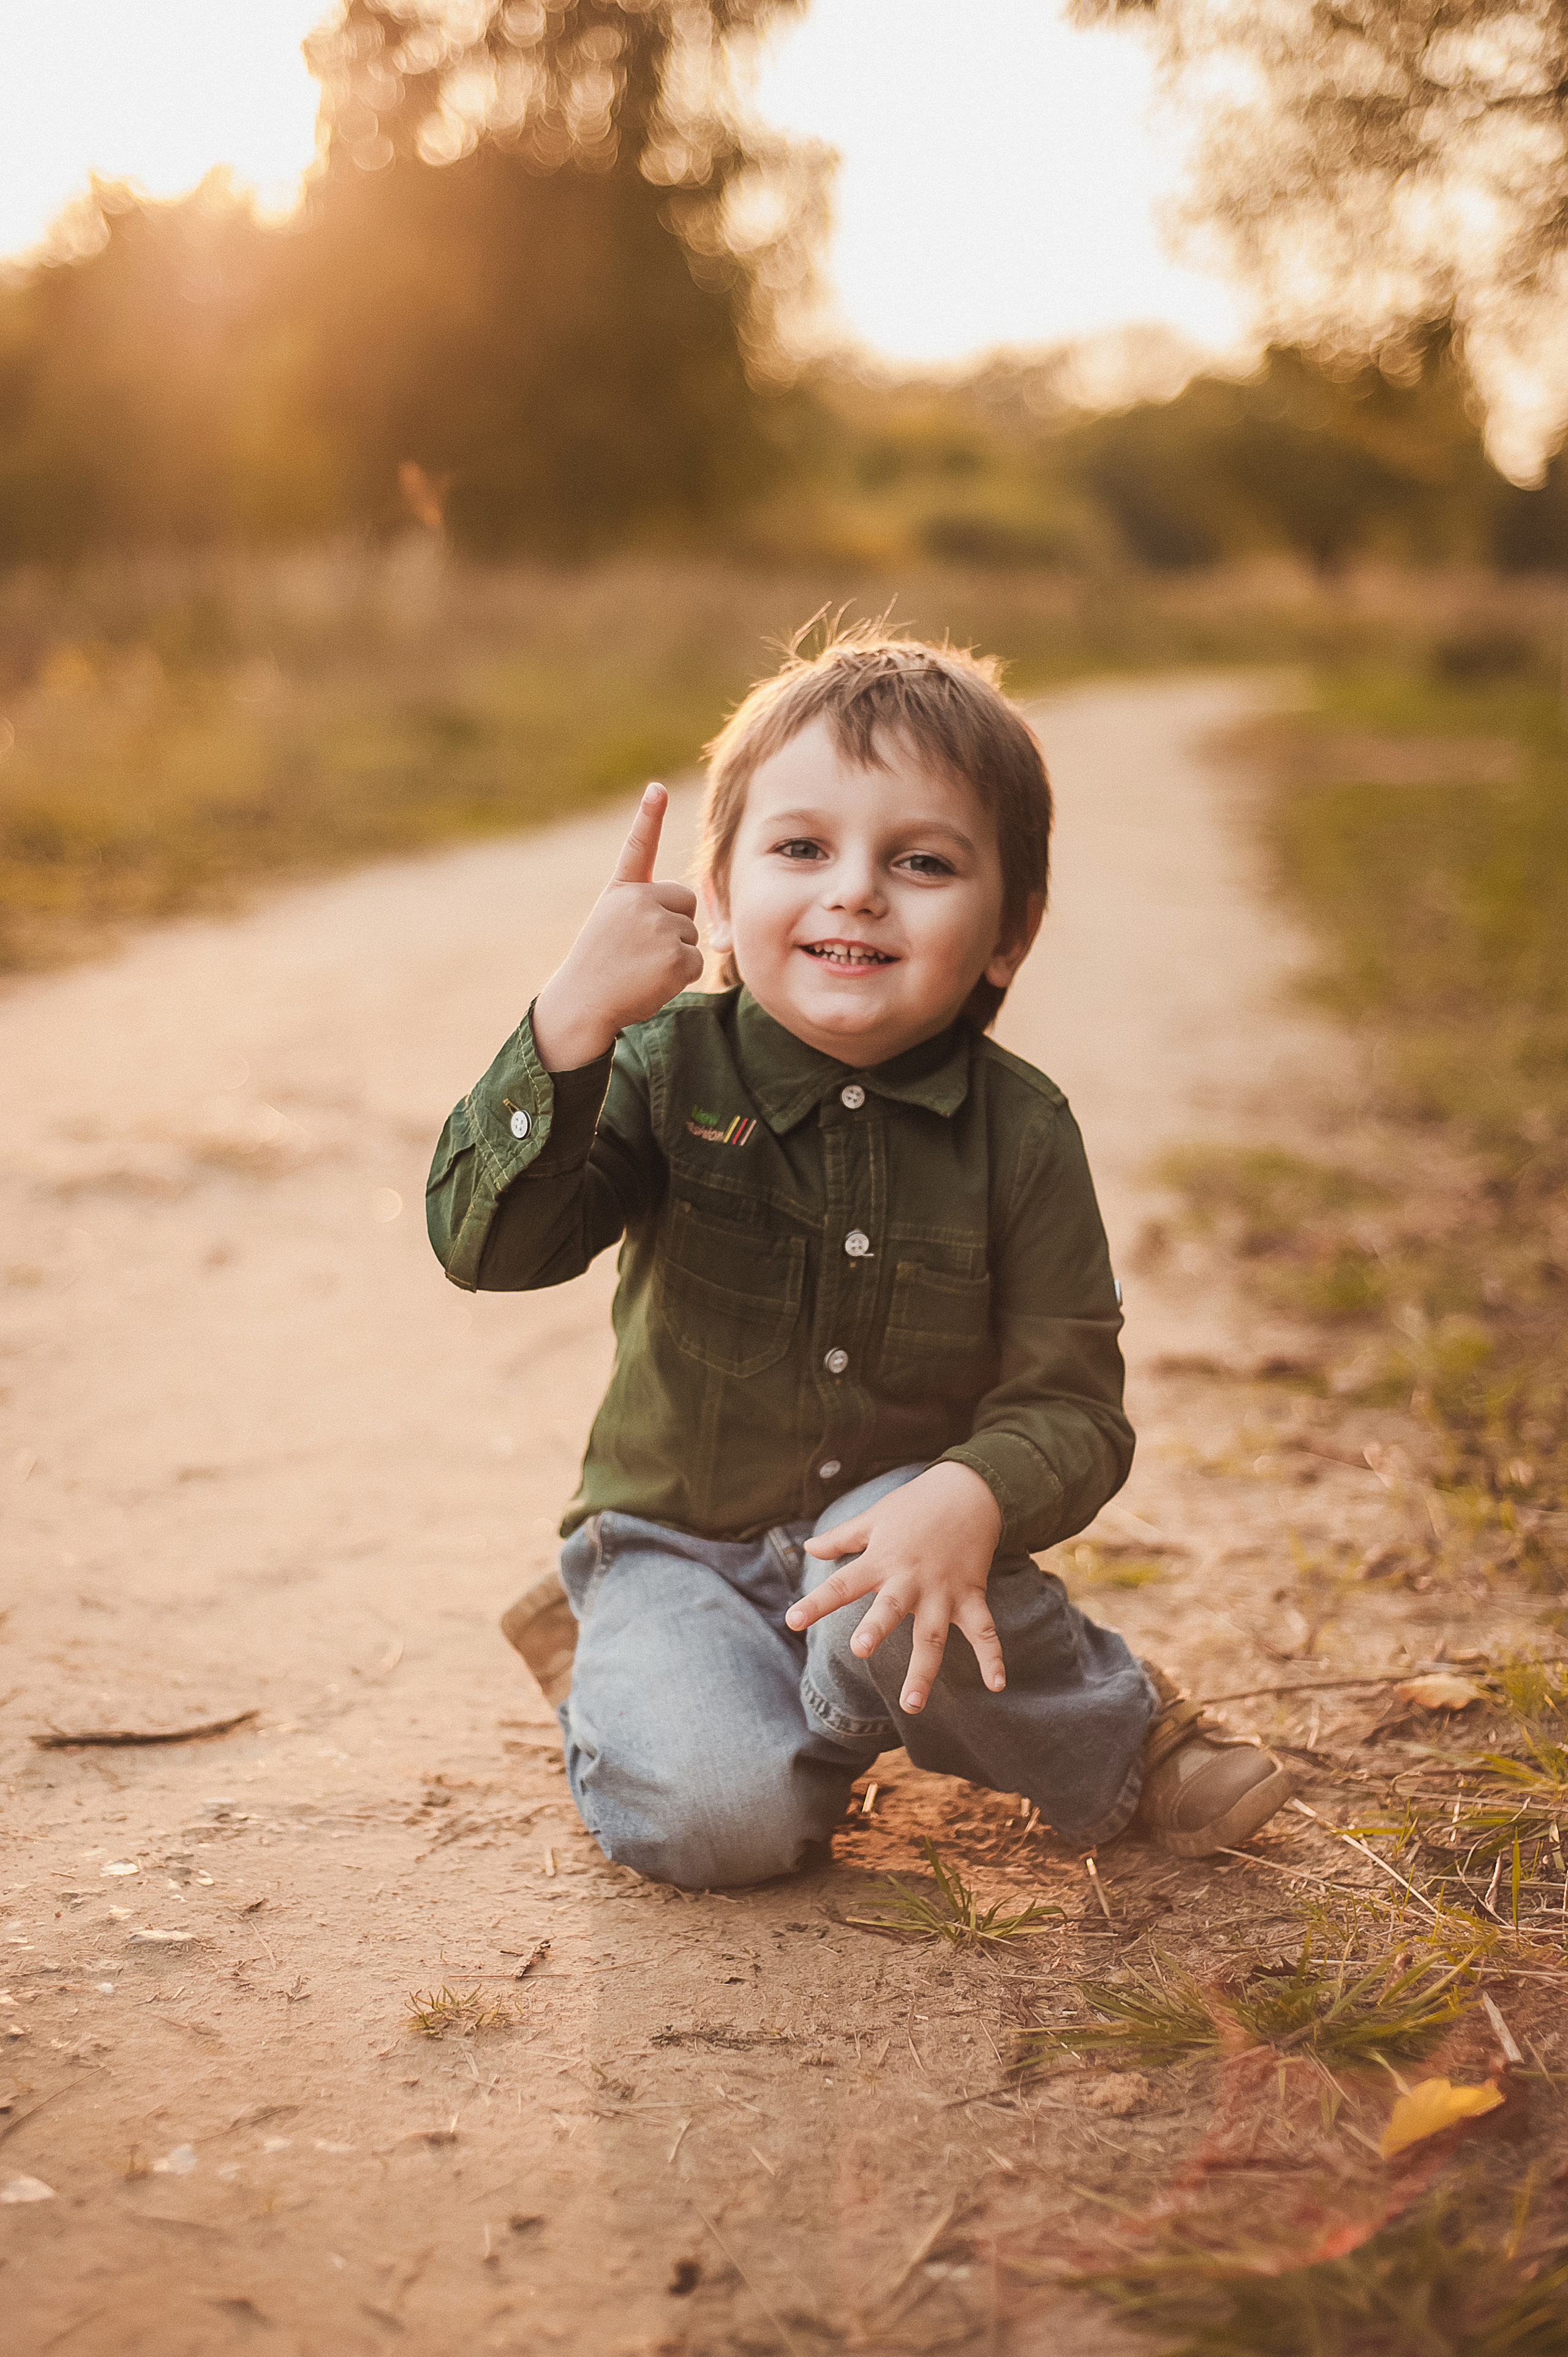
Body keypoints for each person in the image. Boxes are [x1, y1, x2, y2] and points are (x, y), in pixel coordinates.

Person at [426, 629, 1293, 1889]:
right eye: (799, 849)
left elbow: (1072, 1406)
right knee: (718, 1829)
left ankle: (1123, 1743)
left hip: (892, 1532)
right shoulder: (662, 1066)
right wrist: (568, 1021)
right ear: (715, 897)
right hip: (676, 1544)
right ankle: (642, 1664)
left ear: (1009, 932)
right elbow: (485, 1247)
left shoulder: (1025, 1131)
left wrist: (976, 1490)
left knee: (902, 1574)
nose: (854, 891)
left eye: (921, 861)